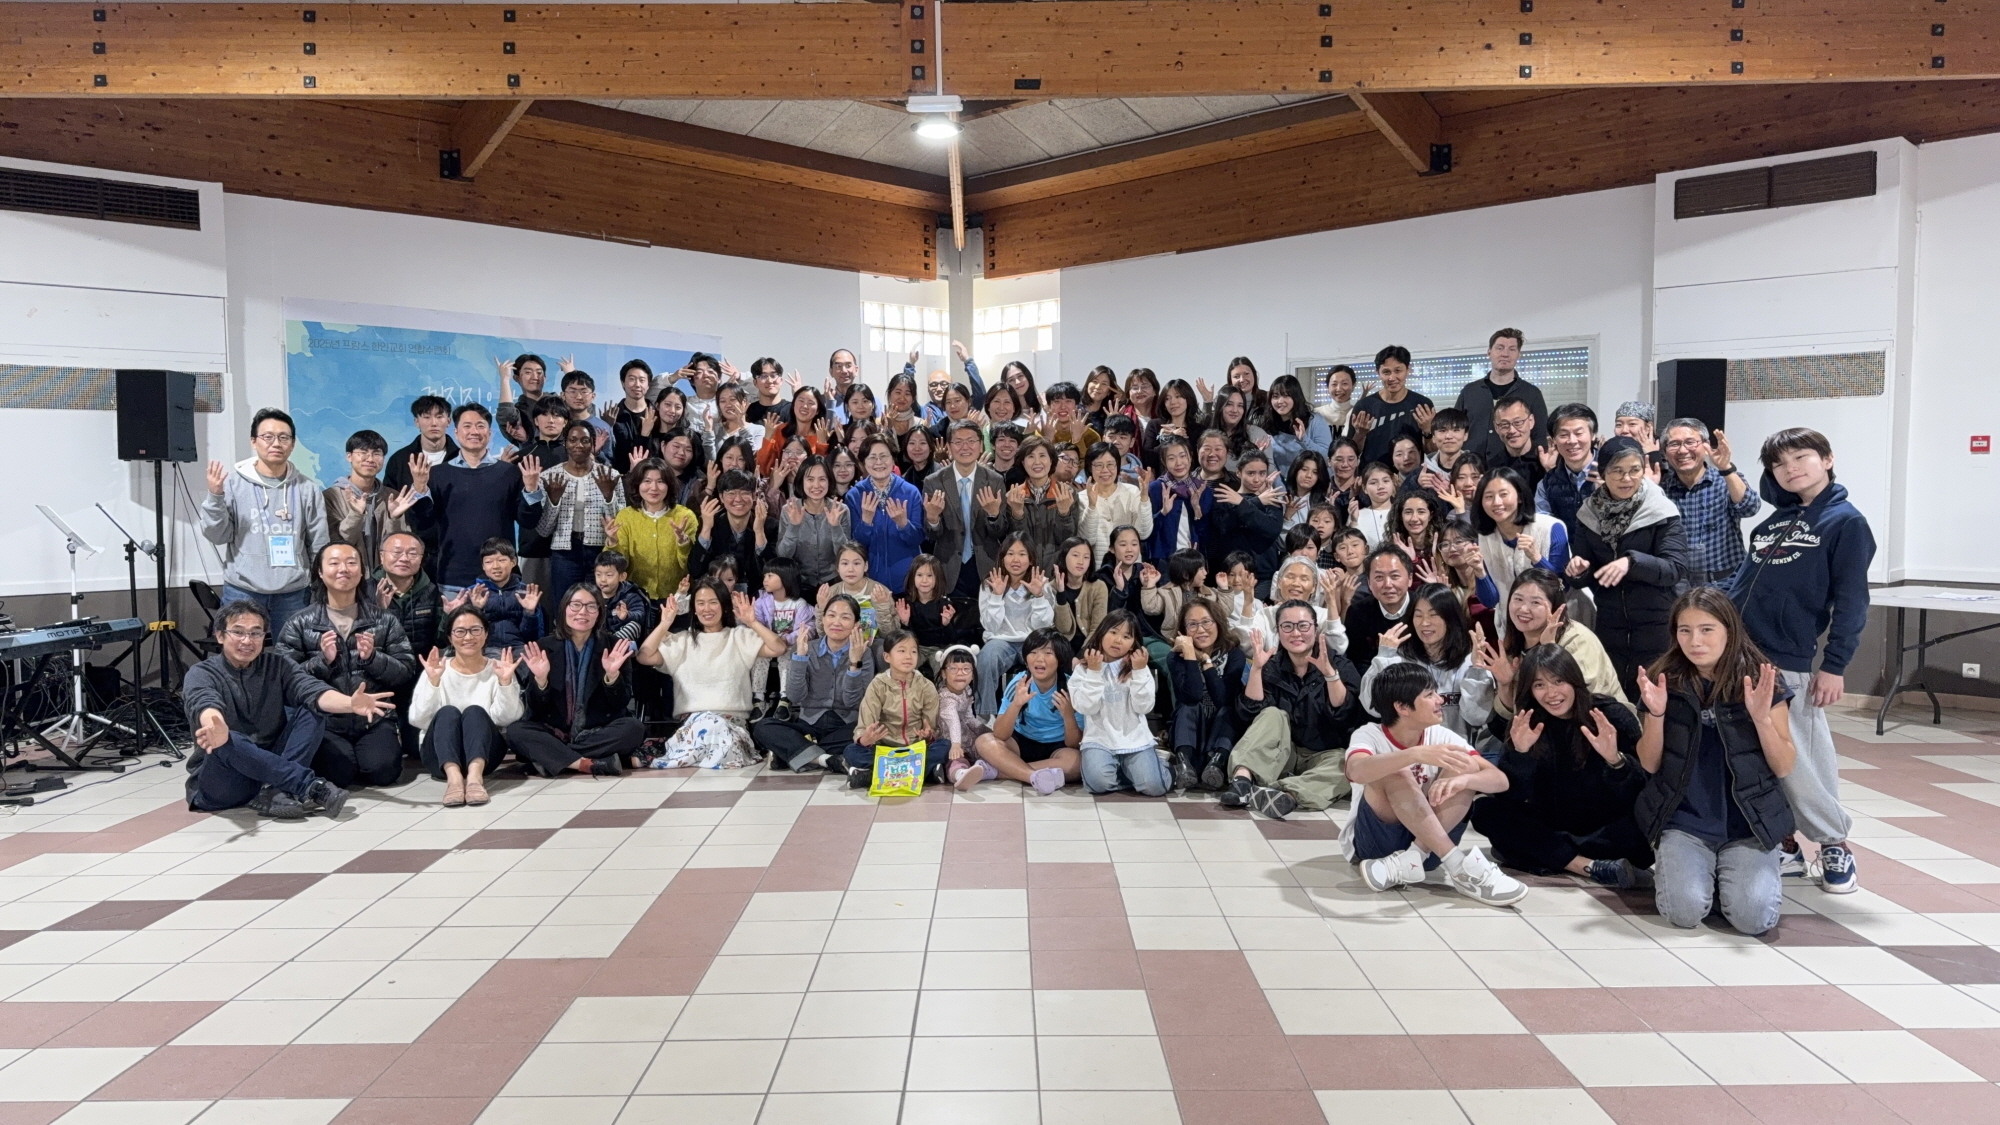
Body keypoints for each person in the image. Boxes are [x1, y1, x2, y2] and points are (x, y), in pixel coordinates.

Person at [1728, 427, 1875, 894]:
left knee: (1805, 759)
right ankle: (1785, 843)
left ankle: (1833, 844)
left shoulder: (1845, 522)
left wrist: (1835, 665)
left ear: (1826, 459)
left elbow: (1852, 601)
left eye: (1800, 457)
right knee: (1757, 755)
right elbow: (1742, 586)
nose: (1790, 468)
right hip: (1740, 656)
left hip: (1789, 658)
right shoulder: (1770, 525)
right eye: (1779, 463)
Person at [1635, 588, 1797, 934]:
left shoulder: (1762, 679)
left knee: (1753, 920)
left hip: (1748, 824)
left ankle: (1731, 876)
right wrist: (1656, 714)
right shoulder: (1663, 678)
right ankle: (1701, 874)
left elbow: (1784, 765)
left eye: (1706, 629)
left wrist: (1761, 719)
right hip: (1684, 821)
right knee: (1684, 912)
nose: (1695, 641)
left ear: (1729, 630)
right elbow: (1649, 763)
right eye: (1685, 630)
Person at [1341, 662, 1526, 905]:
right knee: (1396, 772)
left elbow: (1500, 781)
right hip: (1377, 844)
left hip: (1429, 850)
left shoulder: (1441, 734)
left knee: (1467, 766)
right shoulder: (1369, 734)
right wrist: (1414, 755)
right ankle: (1459, 866)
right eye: (1429, 695)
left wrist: (1465, 780)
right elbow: (1355, 771)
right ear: (1402, 707)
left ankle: (1413, 858)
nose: (1440, 700)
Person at [183, 601, 386, 819]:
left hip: (269, 771)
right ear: (220, 636)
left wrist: (350, 704)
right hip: (224, 782)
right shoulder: (201, 673)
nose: (247, 641)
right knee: (227, 738)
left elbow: (311, 689)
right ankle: (307, 785)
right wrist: (214, 725)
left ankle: (277, 790)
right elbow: (205, 703)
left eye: (255, 633)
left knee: (313, 709)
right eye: (238, 632)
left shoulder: (277, 665)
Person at [1470, 644, 1652, 887]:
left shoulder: (1610, 715)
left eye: (1558, 681)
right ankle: (1587, 866)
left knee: (1638, 831)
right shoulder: (1526, 722)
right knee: (1485, 810)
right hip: (1553, 823)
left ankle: (1543, 853)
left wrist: (1615, 759)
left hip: (1606, 828)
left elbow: (1641, 790)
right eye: (1539, 685)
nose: (1551, 693)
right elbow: (1510, 796)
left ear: (1573, 680)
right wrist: (1520, 754)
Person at [275, 543, 418, 790]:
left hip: (373, 719)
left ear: (362, 571)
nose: (344, 569)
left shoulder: (384, 620)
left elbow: (406, 670)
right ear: (320, 572)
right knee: (339, 774)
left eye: (352, 563)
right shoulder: (299, 623)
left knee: (383, 771)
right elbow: (285, 680)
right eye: (334, 563)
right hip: (325, 722)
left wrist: (372, 658)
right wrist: (322, 662)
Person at [1565, 436, 1690, 697]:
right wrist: (1579, 570)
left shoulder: (1661, 511)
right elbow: (1587, 570)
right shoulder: (1589, 512)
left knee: (1654, 699)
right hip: (1610, 623)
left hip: (1657, 623)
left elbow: (1674, 568)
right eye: (1617, 471)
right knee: (1613, 698)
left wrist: (1632, 562)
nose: (1627, 478)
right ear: (1603, 473)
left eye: (1634, 470)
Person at [1219, 599, 1363, 819]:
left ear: (1316, 628)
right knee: (1272, 714)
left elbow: (1346, 715)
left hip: (1324, 754)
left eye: (1303, 626)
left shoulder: (1339, 664)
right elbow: (1250, 714)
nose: (1296, 633)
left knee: (1348, 765)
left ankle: (1287, 795)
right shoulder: (1271, 665)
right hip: (1282, 753)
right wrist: (1256, 669)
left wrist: (1330, 676)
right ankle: (1242, 783)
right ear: (1278, 631)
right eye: (1287, 626)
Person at [201, 407, 328, 633]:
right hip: (243, 589)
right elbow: (217, 536)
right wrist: (215, 496)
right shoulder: (233, 484)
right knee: (241, 650)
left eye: (283, 437)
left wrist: (320, 586)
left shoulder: (307, 488)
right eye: (268, 437)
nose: (276, 443)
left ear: (292, 444)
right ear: (254, 441)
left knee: (293, 651)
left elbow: (319, 542)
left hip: (294, 591)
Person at [641, 580, 789, 768]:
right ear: (694, 608)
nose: (707, 609)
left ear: (724, 606)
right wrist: (665, 624)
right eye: (700, 603)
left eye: (713, 602)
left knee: (718, 729)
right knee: (709, 726)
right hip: (692, 726)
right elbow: (644, 656)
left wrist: (752, 622)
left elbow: (779, 648)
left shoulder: (738, 637)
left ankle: (678, 755)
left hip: (732, 726)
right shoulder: (683, 641)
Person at [506, 585, 646, 778]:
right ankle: (588, 764)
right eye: (576, 605)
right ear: (564, 608)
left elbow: (620, 703)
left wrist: (612, 676)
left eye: (591, 606)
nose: (582, 612)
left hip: (596, 731)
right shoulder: (544, 647)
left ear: (599, 612)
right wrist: (541, 679)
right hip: (553, 731)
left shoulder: (614, 646)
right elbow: (536, 708)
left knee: (634, 729)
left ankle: (551, 759)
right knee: (516, 731)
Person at [418, 403, 546, 594]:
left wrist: (531, 488)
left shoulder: (509, 473)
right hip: (453, 577)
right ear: (456, 432)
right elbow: (423, 523)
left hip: (501, 580)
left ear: (490, 433)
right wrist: (420, 489)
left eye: (480, 426)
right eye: (467, 426)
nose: (474, 431)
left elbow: (528, 521)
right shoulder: (438, 474)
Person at [1480, 569, 1632, 722]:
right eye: (1518, 599)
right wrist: (1505, 685)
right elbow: (1512, 715)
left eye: (1535, 602)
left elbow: (1578, 700)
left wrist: (1549, 650)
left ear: (1555, 607)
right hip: (1541, 730)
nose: (1523, 609)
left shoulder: (1578, 639)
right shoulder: (1515, 643)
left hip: (1601, 724)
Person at [409, 606, 524, 806]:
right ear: (450, 637)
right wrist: (433, 682)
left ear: (486, 634)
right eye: (460, 631)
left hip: (486, 756)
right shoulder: (437, 668)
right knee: (448, 713)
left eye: (475, 630)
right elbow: (418, 719)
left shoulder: (498, 668)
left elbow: (507, 718)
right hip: (439, 757)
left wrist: (505, 683)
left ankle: (474, 779)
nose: (468, 637)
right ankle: (454, 780)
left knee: (475, 712)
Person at [752, 594, 880, 772]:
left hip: (846, 726)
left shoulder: (863, 653)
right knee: (763, 727)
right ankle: (826, 759)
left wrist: (854, 663)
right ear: (823, 619)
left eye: (845, 617)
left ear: (856, 624)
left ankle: (797, 753)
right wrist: (800, 658)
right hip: (809, 725)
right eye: (831, 615)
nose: (836, 622)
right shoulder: (807, 648)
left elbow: (853, 702)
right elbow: (795, 697)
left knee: (871, 734)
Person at [1356, 583, 1494, 737]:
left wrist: (1478, 668)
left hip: (1457, 748)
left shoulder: (1469, 660)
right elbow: (1373, 707)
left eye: (1433, 615)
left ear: (1450, 618)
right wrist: (1383, 657)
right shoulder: (1400, 659)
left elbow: (1477, 717)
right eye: (1418, 615)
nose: (1424, 623)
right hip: (1411, 749)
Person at [974, 628, 1082, 795]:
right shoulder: (1019, 683)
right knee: (984, 741)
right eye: (1033, 652)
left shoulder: (1072, 688)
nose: (1039, 659)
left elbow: (1073, 743)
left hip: (1058, 748)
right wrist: (1016, 704)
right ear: (1025, 659)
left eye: (1048, 653)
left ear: (1060, 659)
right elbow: (1000, 734)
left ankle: (997, 771)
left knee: (1078, 762)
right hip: (1021, 743)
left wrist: (1068, 716)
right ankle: (1032, 776)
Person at [1072, 610, 1165, 796]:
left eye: (1126, 636)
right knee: (1099, 784)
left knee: (1154, 787)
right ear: (1102, 633)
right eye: (1113, 632)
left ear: (1133, 643)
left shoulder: (1138, 667)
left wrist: (1139, 672)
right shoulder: (1084, 668)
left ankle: (1162, 769)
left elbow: (1144, 707)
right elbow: (1086, 707)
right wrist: (1094, 672)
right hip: (1099, 740)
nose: (1118, 640)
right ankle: (1129, 775)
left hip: (1135, 740)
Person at [1661, 418, 1761, 588]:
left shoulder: (1725, 480)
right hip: (1678, 584)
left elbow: (1750, 508)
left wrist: (1726, 468)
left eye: (1690, 442)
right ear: (1665, 452)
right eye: (1674, 444)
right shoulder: (1662, 488)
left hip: (1727, 582)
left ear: (1706, 446)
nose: (1682, 450)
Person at [536, 420, 626, 600]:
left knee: (600, 602)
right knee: (564, 602)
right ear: (565, 443)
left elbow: (619, 524)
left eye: (585, 440)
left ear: (593, 444)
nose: (578, 445)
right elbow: (544, 530)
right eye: (573, 440)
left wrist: (609, 497)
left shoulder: (610, 475)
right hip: (564, 552)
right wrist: (554, 501)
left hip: (600, 550)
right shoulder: (549, 477)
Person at [844, 631, 948, 787]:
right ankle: (922, 773)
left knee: (944, 746)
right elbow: (864, 727)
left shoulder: (926, 686)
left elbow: (932, 728)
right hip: (885, 748)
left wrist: (928, 735)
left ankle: (872, 775)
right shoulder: (878, 685)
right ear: (887, 657)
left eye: (913, 651)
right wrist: (865, 739)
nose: (908, 656)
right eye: (902, 651)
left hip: (915, 748)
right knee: (851, 751)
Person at [923, 421, 1009, 599]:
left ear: (980, 445)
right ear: (949, 447)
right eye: (958, 442)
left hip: (986, 565)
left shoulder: (994, 481)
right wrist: (932, 519)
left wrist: (994, 515)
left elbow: (1000, 532)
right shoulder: (934, 482)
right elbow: (933, 535)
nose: (965, 447)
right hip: (948, 566)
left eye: (971, 441)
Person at [1168, 597, 1245, 791]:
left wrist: (1205, 660)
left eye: (1206, 622)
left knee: (1229, 710)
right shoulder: (1175, 658)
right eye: (1192, 625)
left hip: (1221, 732)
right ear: (1184, 630)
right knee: (1188, 707)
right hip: (1192, 731)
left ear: (1218, 623)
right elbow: (1192, 696)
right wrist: (1190, 656)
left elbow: (1222, 699)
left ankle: (1217, 764)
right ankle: (1184, 764)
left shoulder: (1234, 655)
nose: (1200, 630)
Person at [977, 534, 1055, 716]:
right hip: (1000, 641)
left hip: (1033, 641)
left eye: (1022, 554)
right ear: (1002, 557)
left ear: (1031, 559)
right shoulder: (990, 584)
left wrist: (1038, 596)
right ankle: (985, 716)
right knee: (986, 658)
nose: (1015, 560)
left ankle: (1043, 715)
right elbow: (991, 626)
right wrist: (996, 596)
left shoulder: (1041, 583)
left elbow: (1043, 626)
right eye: (1010, 554)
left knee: (1049, 659)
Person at [1472, 466, 1567, 615]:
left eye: (1503, 494)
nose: (1496, 502)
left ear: (1520, 497)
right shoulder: (1485, 537)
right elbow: (1490, 601)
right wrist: (1479, 572)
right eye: (1488, 497)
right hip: (1513, 621)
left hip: (1557, 617)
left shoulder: (1551, 528)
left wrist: (1536, 558)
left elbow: (1562, 587)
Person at [385, 396, 459, 582]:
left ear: (449, 421)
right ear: (416, 422)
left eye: (439, 416)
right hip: (412, 551)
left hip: (456, 549)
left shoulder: (462, 458)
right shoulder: (399, 460)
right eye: (426, 417)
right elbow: (390, 505)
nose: (433, 423)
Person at [325, 429, 421, 570]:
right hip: (348, 575)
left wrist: (394, 518)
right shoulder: (331, 497)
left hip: (384, 577)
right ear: (349, 456)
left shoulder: (393, 497)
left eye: (377, 453)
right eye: (363, 453)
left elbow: (400, 547)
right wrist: (356, 515)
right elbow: (337, 545)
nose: (370, 459)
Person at [607, 458, 699, 600]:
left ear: (669, 485)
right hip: (634, 597)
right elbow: (617, 566)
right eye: (647, 481)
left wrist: (683, 542)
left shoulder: (685, 516)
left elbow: (691, 567)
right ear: (638, 484)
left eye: (660, 481)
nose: (654, 488)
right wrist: (613, 543)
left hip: (677, 597)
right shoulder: (626, 516)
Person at [846, 434, 926, 590]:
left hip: (907, 581)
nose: (878, 462)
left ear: (893, 459)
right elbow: (855, 546)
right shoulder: (854, 495)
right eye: (872, 457)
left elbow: (917, 539)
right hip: (869, 582)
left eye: (884, 456)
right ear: (864, 462)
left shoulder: (911, 492)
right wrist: (866, 522)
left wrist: (903, 524)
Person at [1454, 327, 1548, 459]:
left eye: (1512, 349)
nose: (1505, 354)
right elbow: (1455, 430)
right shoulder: (1469, 391)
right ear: (1489, 352)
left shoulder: (1532, 394)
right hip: (1472, 466)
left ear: (1518, 354)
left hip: (1516, 468)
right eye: (1500, 348)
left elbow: (1540, 437)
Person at [1205, 449, 1284, 588]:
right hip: (1230, 574)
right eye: (1251, 473)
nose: (1257, 479)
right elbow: (1223, 526)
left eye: (1262, 473)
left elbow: (1271, 529)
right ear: (1238, 473)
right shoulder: (1225, 498)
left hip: (1263, 576)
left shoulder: (1271, 499)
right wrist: (1256, 502)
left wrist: (1244, 504)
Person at [778, 456, 854, 597]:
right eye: (810, 479)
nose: (816, 485)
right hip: (799, 584)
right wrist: (793, 526)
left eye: (822, 479)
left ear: (829, 481)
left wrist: (835, 527)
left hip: (834, 583)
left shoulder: (840, 510)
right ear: (802, 481)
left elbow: (845, 556)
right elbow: (783, 556)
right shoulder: (789, 510)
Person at [687, 469, 771, 594]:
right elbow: (695, 570)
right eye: (731, 493)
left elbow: (770, 573)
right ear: (721, 497)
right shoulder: (711, 522)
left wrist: (759, 532)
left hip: (756, 596)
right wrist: (706, 528)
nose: (738, 499)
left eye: (744, 493)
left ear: (754, 496)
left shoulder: (770, 525)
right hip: (716, 594)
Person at [1350, 345, 1434, 467]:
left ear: (1408, 370)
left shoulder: (1422, 405)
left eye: (1398, 371)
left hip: (1410, 475)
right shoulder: (1364, 406)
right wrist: (1360, 434)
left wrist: (1427, 431)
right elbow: (1352, 453)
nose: (1392, 378)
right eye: (1386, 372)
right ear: (1378, 373)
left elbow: (1433, 453)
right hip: (1372, 475)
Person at [1002, 436, 1080, 568]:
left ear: (1051, 460)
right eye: (1030, 456)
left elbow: (1067, 540)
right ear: (1023, 462)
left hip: (1057, 570)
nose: (1037, 462)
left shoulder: (1067, 493)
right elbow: (1016, 542)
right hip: (1024, 570)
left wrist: (1064, 514)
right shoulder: (1013, 496)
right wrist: (1018, 515)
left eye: (1042, 456)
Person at [752, 562, 815, 714]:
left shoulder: (799, 604)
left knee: (787, 657)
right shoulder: (761, 603)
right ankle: (758, 698)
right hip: (768, 643)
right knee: (759, 657)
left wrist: (787, 639)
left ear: (785, 578)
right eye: (765, 576)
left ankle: (785, 698)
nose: (765, 579)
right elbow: (757, 625)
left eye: (770, 575)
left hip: (789, 644)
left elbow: (806, 628)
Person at [1077, 442, 1152, 565]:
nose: (1105, 470)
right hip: (1098, 569)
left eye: (1110, 464)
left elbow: (1143, 533)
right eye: (1099, 465)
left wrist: (1144, 499)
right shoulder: (1082, 498)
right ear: (1090, 467)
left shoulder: (1132, 492)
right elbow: (1087, 540)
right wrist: (1091, 507)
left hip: (1130, 568)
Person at [1343, 546, 1416, 669]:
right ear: (1369, 583)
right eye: (1379, 577)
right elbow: (1358, 661)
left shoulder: (1424, 607)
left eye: (1395, 576)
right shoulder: (1358, 612)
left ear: (1410, 579)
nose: (1387, 584)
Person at [1534, 402, 1599, 535]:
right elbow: (1544, 529)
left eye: (1579, 433)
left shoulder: (1612, 473)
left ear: (1593, 435)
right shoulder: (1546, 484)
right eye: (1563, 435)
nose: (1572, 441)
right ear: (1553, 440)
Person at [1144, 437, 1213, 562]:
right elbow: (1146, 532)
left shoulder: (1202, 490)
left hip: (1193, 561)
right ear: (1164, 461)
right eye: (1171, 458)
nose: (1178, 463)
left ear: (1190, 457)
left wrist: (1197, 510)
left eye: (1182, 456)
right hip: (1163, 562)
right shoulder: (1155, 489)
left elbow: (1207, 536)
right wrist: (1163, 512)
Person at [466, 539, 542, 650]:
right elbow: (467, 634)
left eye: (501, 560)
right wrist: (477, 610)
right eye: (488, 562)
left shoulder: (526, 593)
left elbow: (534, 637)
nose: (496, 566)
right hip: (485, 649)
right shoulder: (473, 593)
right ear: (483, 566)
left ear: (513, 562)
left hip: (519, 648)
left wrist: (529, 613)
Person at [937, 647, 995, 790]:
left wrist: (987, 731)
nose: (960, 673)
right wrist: (956, 744)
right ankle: (959, 774)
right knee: (956, 759)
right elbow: (953, 722)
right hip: (950, 739)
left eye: (966, 669)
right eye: (953, 668)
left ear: (973, 674)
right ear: (944, 673)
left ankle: (982, 769)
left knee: (987, 750)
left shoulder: (966, 691)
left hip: (965, 734)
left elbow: (969, 718)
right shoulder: (946, 698)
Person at [757, 386, 833, 475]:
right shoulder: (780, 430)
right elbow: (763, 469)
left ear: (817, 410)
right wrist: (767, 437)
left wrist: (822, 443)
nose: (805, 406)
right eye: (801, 401)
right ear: (793, 405)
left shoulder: (821, 435)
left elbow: (822, 471)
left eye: (810, 403)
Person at [1050, 537, 1107, 652]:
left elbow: (1097, 629)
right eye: (1075, 555)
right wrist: (1061, 593)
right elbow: (1064, 628)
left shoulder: (1098, 587)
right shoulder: (1051, 587)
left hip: (1090, 648)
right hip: (1061, 649)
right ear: (1063, 557)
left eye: (1086, 557)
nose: (1081, 562)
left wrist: (1083, 654)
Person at [1485, 397, 1548, 496]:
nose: (1512, 430)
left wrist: (1551, 470)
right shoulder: (1492, 468)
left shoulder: (1549, 459)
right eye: (1504, 425)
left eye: (1518, 423)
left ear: (1531, 421)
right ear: (1496, 427)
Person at [1315, 364, 1358, 434]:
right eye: (1334, 384)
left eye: (1344, 383)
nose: (1339, 389)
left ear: (1353, 386)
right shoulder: (1317, 413)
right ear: (1327, 387)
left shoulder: (1357, 414)